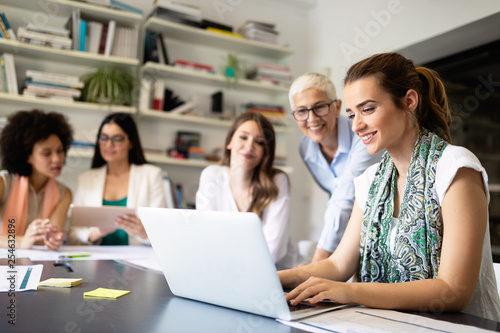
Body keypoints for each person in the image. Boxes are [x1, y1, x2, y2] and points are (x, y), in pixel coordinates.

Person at [279, 53, 500, 321]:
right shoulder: (371, 179)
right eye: (352, 114)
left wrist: (350, 291)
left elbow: (453, 291)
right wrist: (273, 277)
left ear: (409, 101)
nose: (357, 125)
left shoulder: (455, 168)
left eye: (368, 109)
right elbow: (338, 264)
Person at [289, 72, 382, 262]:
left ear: (337, 106)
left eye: (320, 107)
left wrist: (319, 261)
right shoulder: (305, 146)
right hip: (347, 233)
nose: (312, 118)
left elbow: (345, 196)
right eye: (301, 111)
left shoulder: (361, 136)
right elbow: (335, 195)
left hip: (379, 225)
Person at [196, 112, 297, 269]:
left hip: (274, 273)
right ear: (229, 142)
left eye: (260, 142)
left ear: (266, 152)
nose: (250, 146)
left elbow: (273, 251)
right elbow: (206, 236)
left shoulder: (277, 181)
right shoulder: (212, 175)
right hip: (221, 269)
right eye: (243, 137)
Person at [68, 113, 166, 245]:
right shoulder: (86, 179)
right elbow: (73, 236)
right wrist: (96, 232)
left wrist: (143, 233)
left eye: (117, 139)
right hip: (94, 260)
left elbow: (162, 233)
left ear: (131, 143)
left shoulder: (151, 175)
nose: (108, 144)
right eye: (103, 138)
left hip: (135, 258)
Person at [0, 109, 74, 250]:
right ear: (27, 156)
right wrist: (21, 242)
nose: (57, 159)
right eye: (46, 153)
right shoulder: (3, 183)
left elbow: (51, 236)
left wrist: (53, 240)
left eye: (60, 150)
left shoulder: (64, 193)